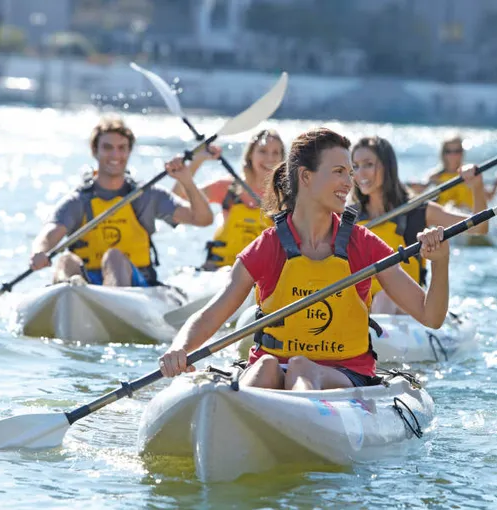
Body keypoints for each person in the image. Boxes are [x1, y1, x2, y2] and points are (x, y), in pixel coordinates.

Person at [158, 128, 450, 390]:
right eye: (338, 171)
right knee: (266, 365)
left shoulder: (364, 245)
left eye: (349, 173)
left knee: (301, 365)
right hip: (272, 371)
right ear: (306, 176)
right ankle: (240, 409)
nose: (349, 183)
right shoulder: (268, 246)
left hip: (345, 374)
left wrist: (440, 262)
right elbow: (212, 313)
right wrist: (179, 348)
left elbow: (431, 316)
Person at [28, 117, 214, 287]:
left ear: (129, 151)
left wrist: (186, 181)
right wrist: (40, 251)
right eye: (107, 147)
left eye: (121, 148)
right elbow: (49, 234)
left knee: (114, 256)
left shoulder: (147, 195)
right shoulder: (78, 200)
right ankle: (71, 293)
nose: (115, 155)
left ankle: (107, 302)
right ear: (95, 151)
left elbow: (202, 219)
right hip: (86, 284)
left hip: (136, 285)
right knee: (66, 261)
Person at [350, 136, 487, 313]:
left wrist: (477, 186)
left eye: (368, 164)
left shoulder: (417, 210)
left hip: (404, 307)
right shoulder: (349, 217)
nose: (360, 173)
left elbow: (480, 228)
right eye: (355, 166)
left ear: (387, 166)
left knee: (384, 298)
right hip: (360, 305)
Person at [173, 129, 285, 270]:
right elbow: (175, 199)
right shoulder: (227, 188)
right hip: (220, 271)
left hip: (262, 275)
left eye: (276, 153)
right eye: (262, 151)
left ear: (282, 158)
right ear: (250, 155)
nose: (270, 158)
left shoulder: (286, 197)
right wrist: (197, 160)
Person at [408, 135, 497, 210]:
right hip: (446, 220)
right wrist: (410, 186)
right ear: (443, 154)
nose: (453, 155)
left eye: (457, 151)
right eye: (449, 151)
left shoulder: (470, 173)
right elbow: (418, 192)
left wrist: (496, 185)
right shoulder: (435, 177)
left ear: (462, 153)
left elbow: (487, 197)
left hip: (468, 217)